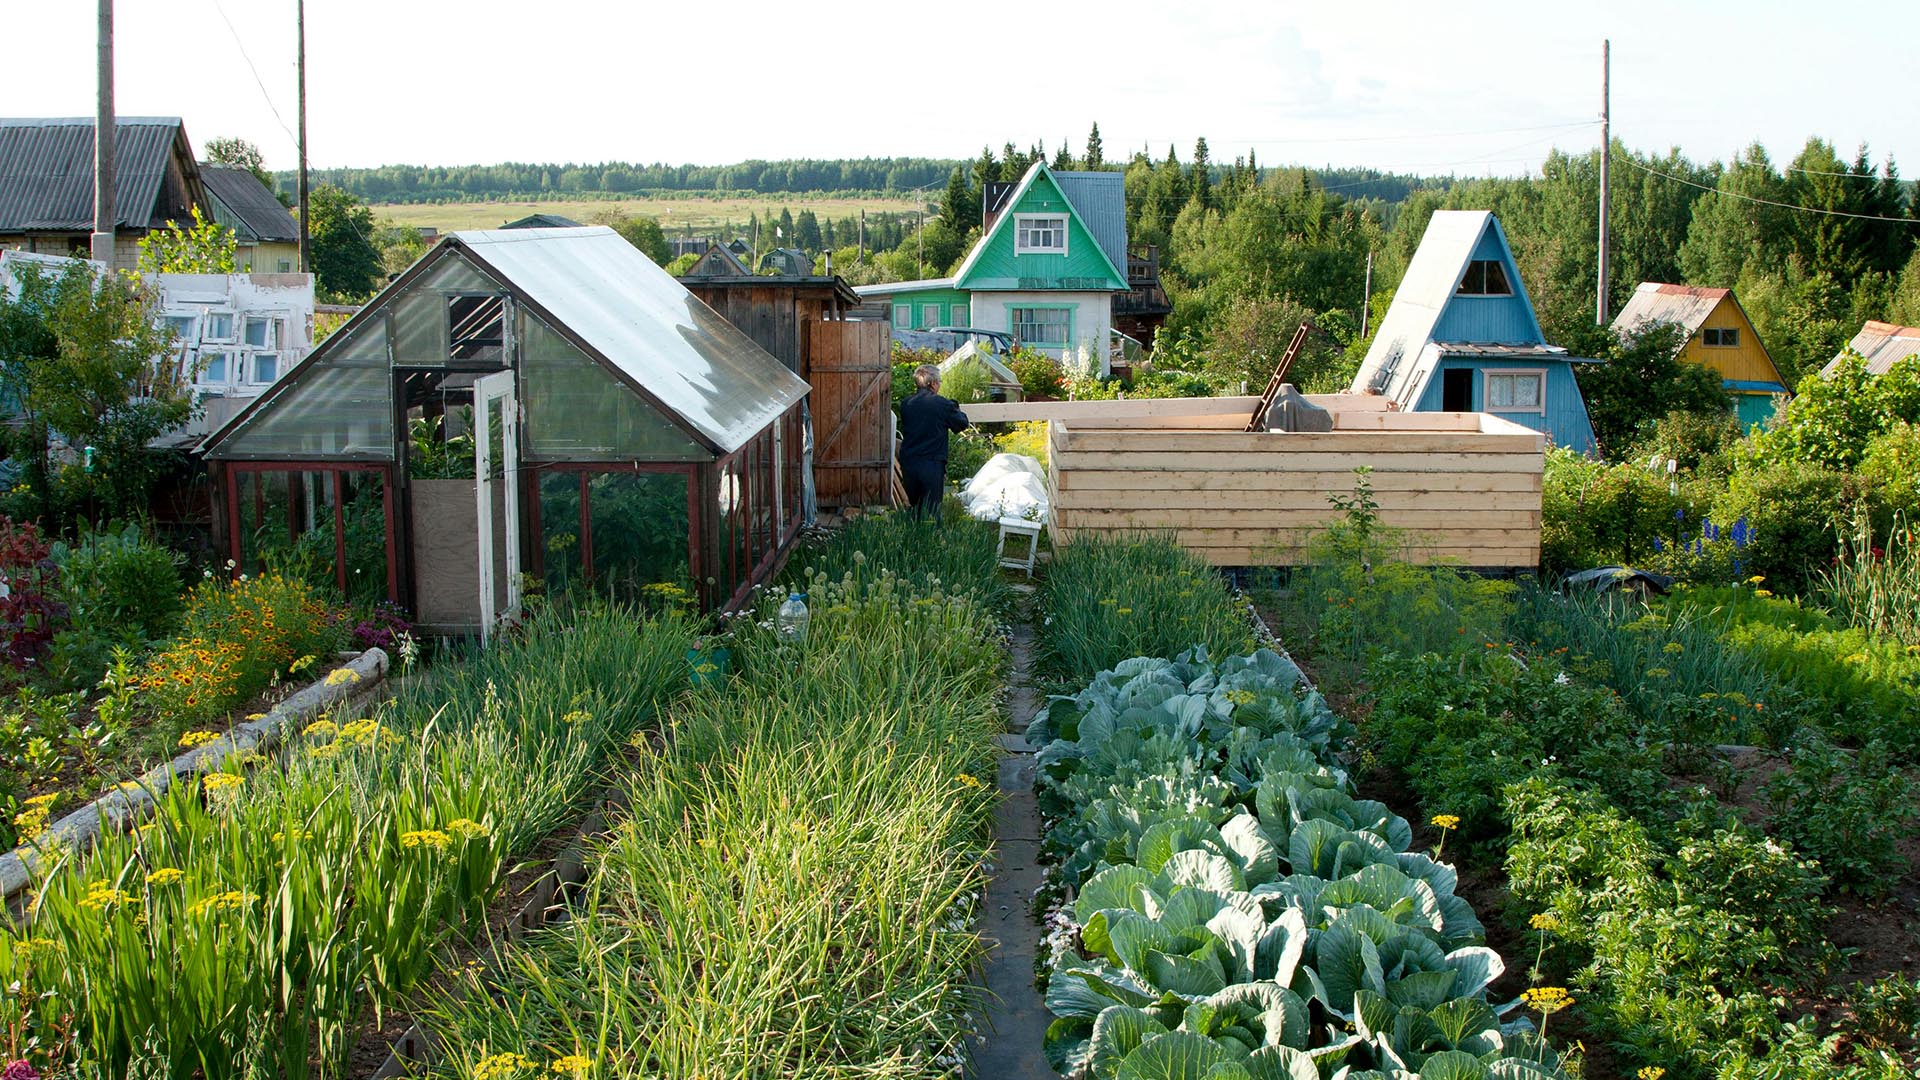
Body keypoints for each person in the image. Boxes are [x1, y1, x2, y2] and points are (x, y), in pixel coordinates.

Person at [897, 363, 969, 519]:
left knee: (914, 508)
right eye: (940, 381)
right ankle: (931, 540)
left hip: (909, 461)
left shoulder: (906, 404)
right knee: (932, 510)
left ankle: (913, 538)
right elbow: (962, 423)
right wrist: (955, 406)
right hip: (931, 463)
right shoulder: (942, 404)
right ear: (934, 383)